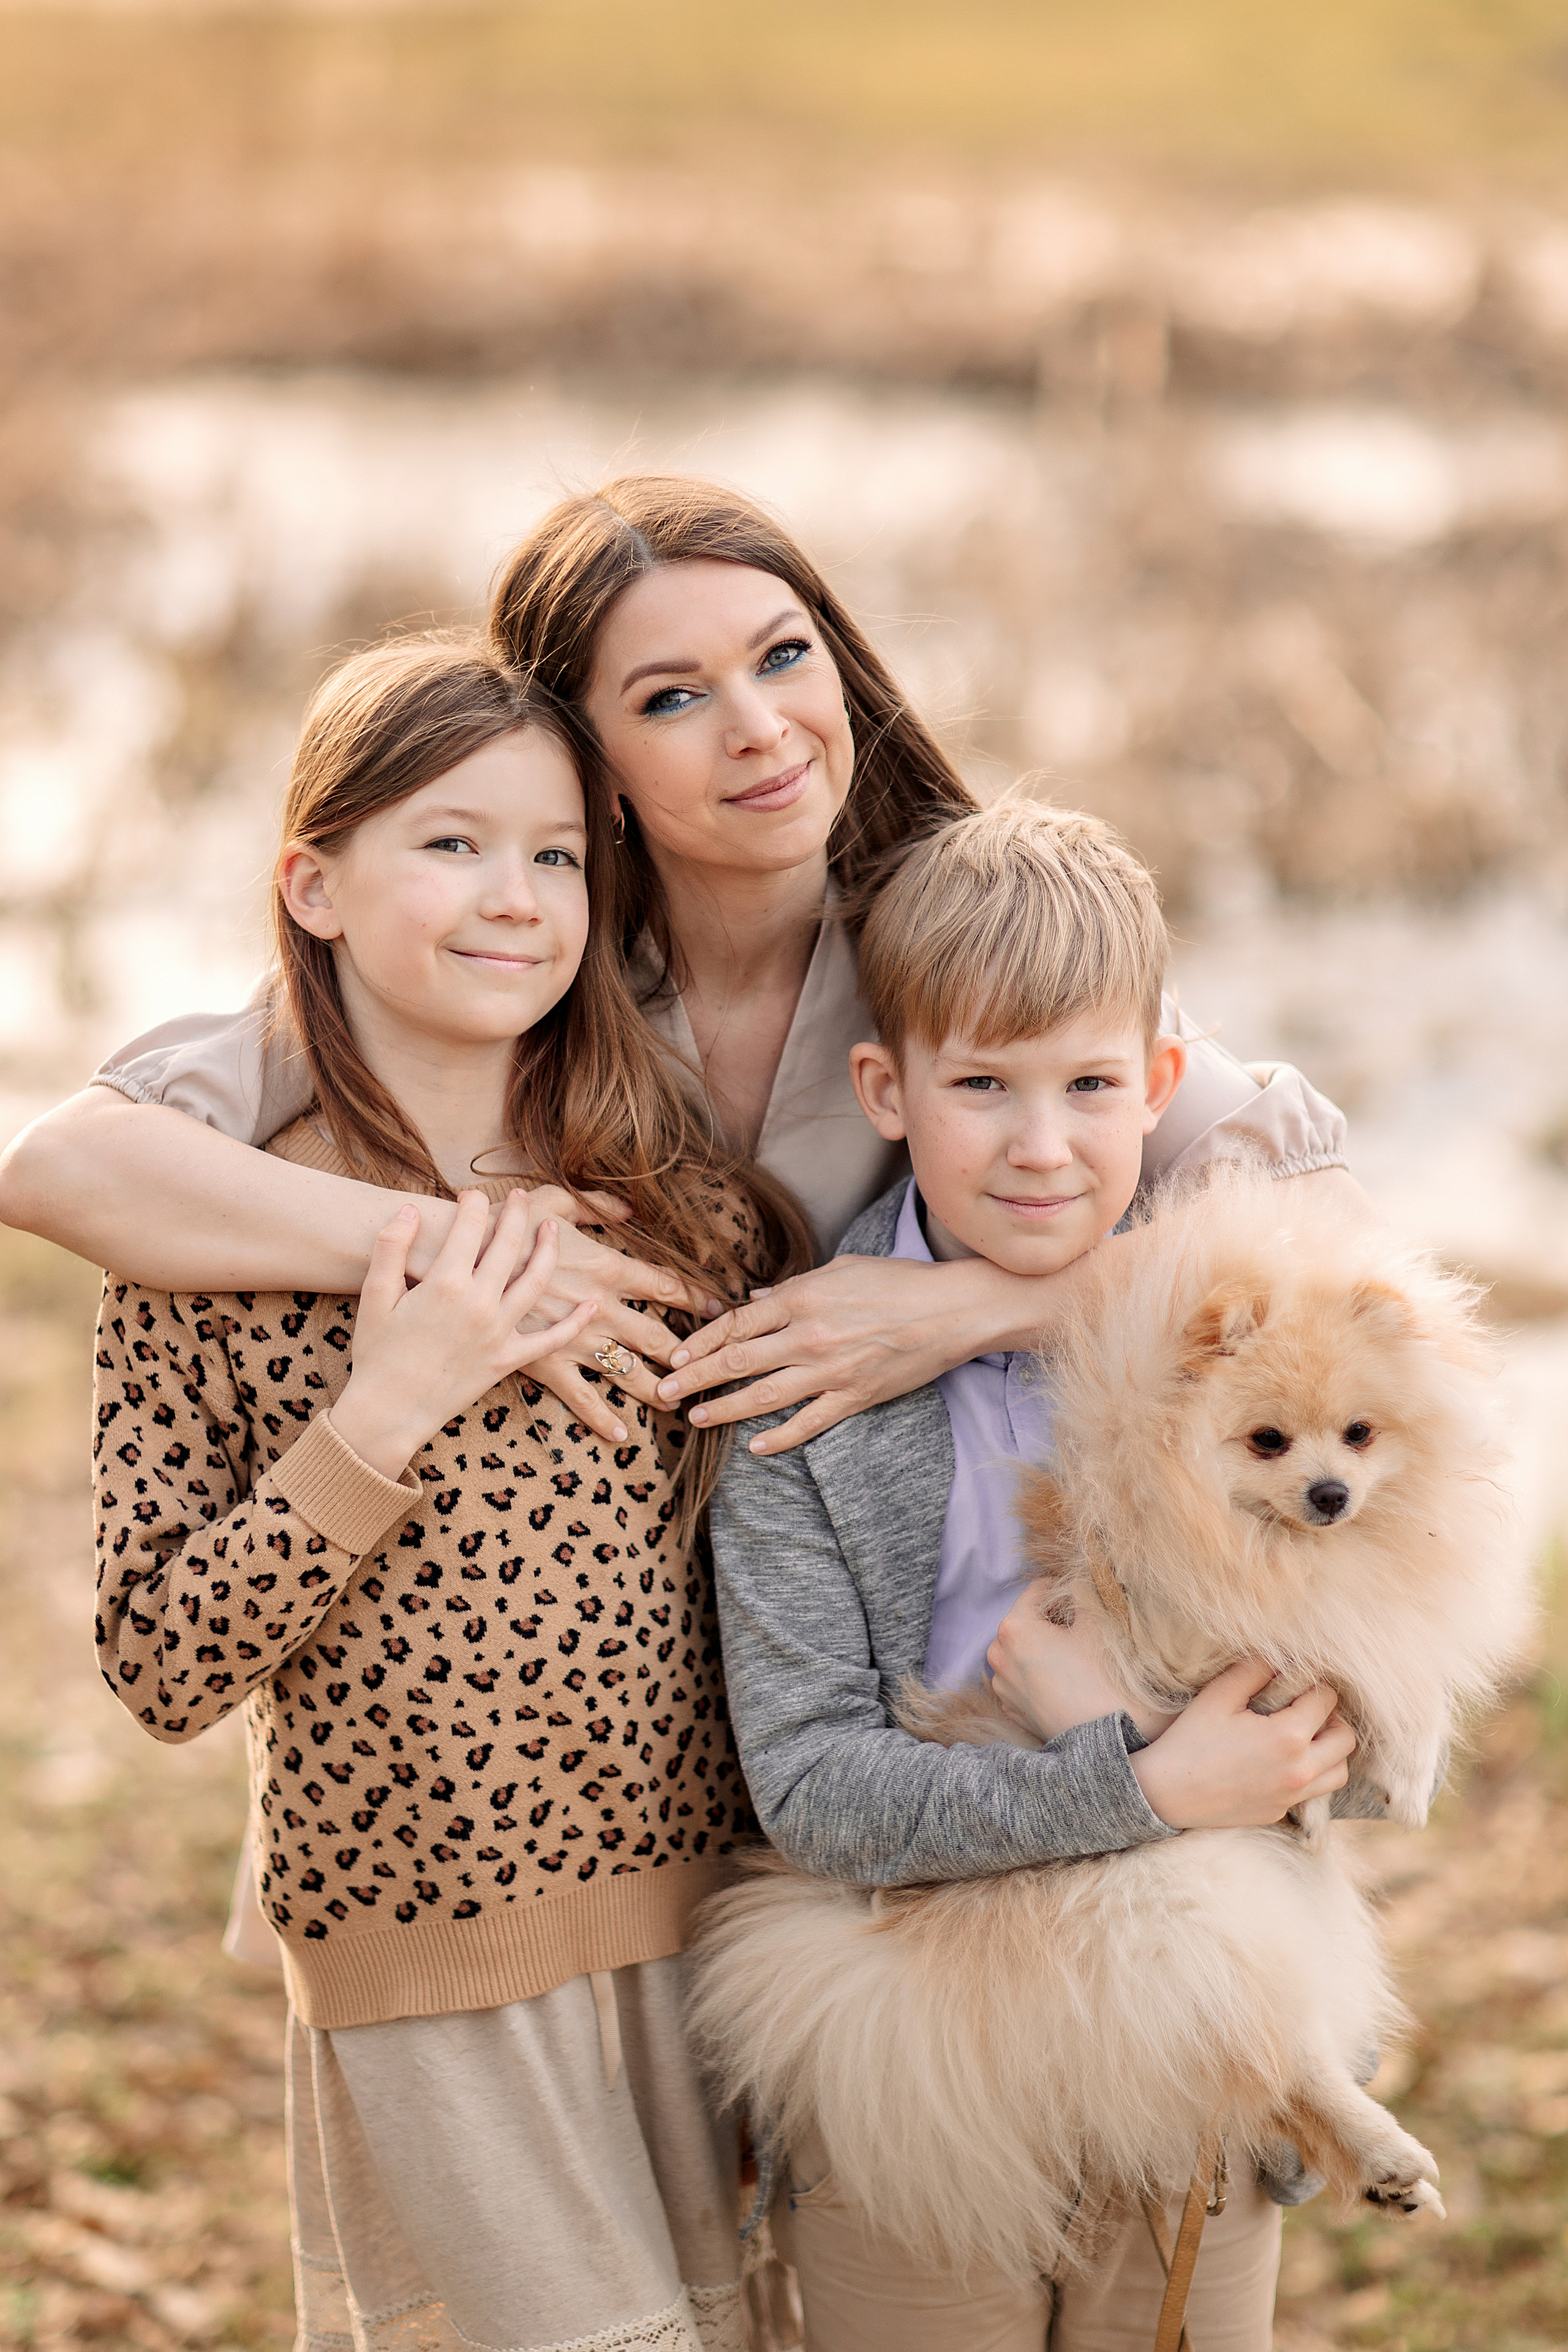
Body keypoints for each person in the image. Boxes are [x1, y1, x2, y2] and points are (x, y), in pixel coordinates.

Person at [0, 476, 1350, 1468]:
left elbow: (1326, 1231)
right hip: (559, 1673)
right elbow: (63, 1168)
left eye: (781, 657)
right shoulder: (514, 949)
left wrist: (966, 1310)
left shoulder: (961, 931)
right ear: (586, 763)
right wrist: (481, 1267)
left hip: (892, 1648)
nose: (761, 731)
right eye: (671, 697)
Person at [91, 633, 812, 2352]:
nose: (518, 896)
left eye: (558, 854)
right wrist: (385, 1413)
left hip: (713, 1927)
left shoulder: (664, 1198)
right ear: (313, 886)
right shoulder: (202, 1229)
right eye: (452, 842)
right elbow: (160, 1664)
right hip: (428, 1951)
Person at [707, 800, 1375, 2352]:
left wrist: (1246, 1780)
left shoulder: (1255, 1364)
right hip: (913, 2050)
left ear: (1156, 1084)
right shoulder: (806, 1389)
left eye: (1087, 1086)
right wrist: (1136, 1781)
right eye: (981, 1087)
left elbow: (1369, 1723)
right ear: (885, 1088)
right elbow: (810, 1790)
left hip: (1189, 2032)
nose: (1039, 1143)